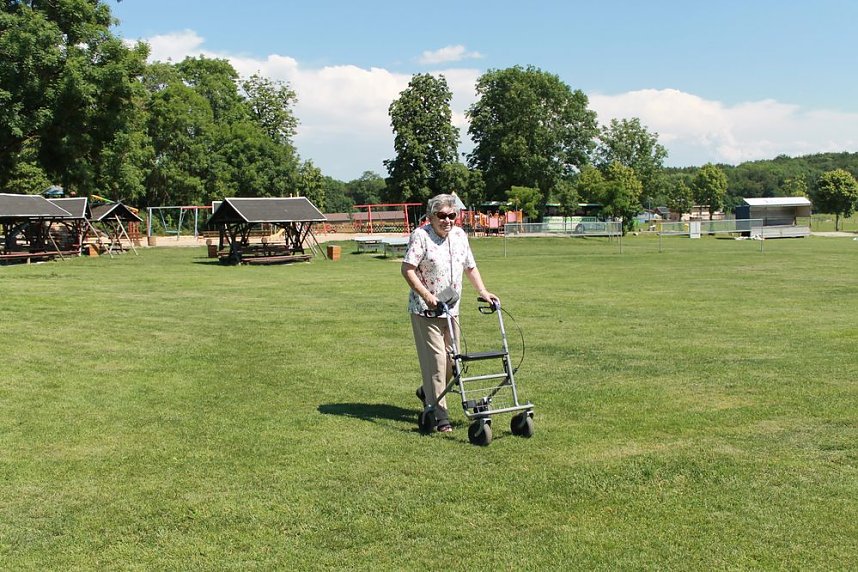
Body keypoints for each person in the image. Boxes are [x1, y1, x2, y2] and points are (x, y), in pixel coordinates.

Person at [401, 193, 499, 433]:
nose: (447, 220)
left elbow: (470, 267)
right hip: (426, 310)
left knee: (452, 362)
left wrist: (483, 291)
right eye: (441, 215)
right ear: (430, 216)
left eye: (451, 215)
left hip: (451, 310)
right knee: (436, 362)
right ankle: (440, 415)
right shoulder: (421, 236)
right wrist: (427, 296)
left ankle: (427, 392)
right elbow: (408, 269)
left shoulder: (459, 236)